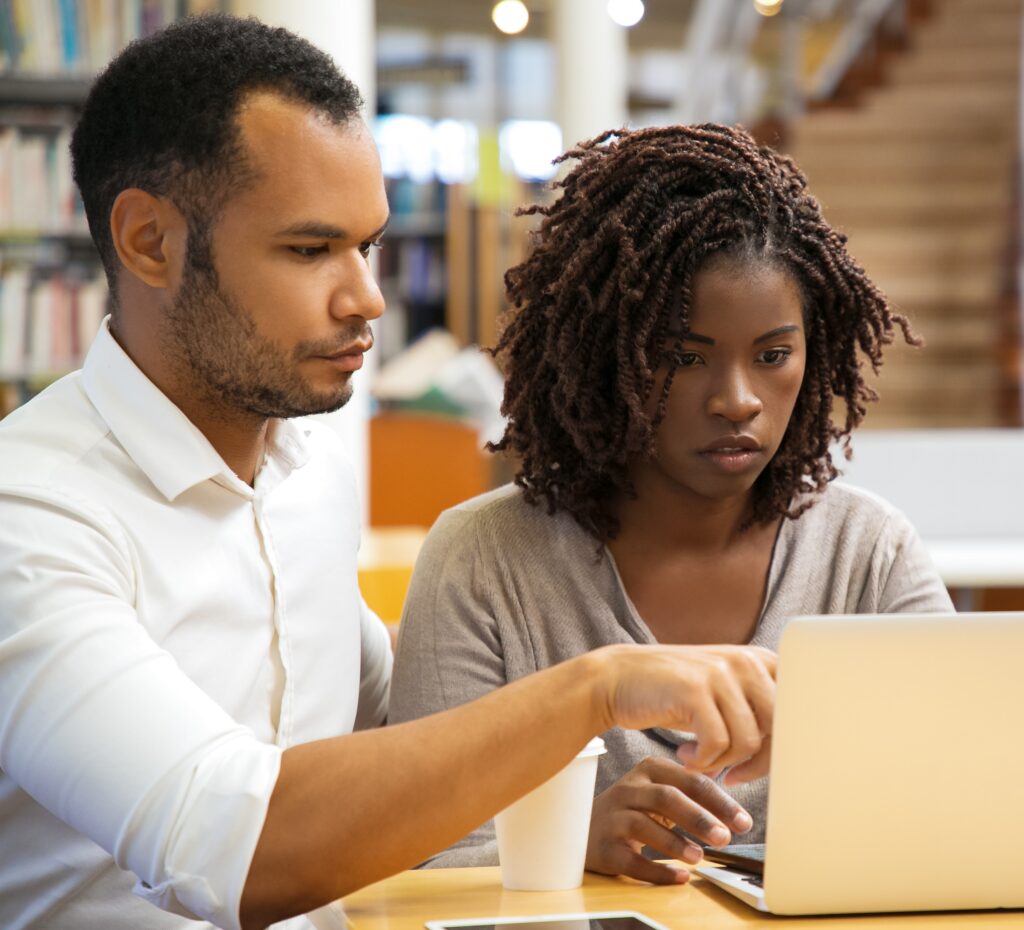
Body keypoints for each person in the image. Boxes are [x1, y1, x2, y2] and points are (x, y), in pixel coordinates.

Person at [0, 17, 779, 930]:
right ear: (148, 242)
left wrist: (573, 828)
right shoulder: (31, 514)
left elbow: (395, 734)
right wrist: (596, 686)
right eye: (308, 249)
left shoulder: (303, 469)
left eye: (366, 246)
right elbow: (235, 850)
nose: (367, 296)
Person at [388, 124, 954, 884]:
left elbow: (964, 810)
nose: (737, 400)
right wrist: (573, 841)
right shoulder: (484, 560)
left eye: (774, 355)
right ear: (602, 353)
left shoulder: (868, 555)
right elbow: (418, 856)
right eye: (685, 357)